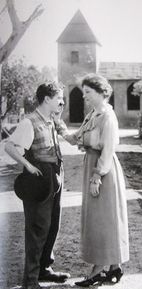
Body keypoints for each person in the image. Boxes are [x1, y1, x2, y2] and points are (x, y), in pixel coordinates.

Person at [5, 82, 76, 289]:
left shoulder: (52, 120)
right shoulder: (30, 122)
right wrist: (27, 165)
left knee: (53, 225)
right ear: (47, 99)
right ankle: (30, 280)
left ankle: (44, 269)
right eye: (59, 98)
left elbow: (69, 138)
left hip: (55, 176)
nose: (62, 102)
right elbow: (10, 147)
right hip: (38, 180)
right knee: (37, 228)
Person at [74, 74, 129, 287]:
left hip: (103, 170)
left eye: (88, 92)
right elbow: (77, 136)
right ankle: (114, 267)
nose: (85, 96)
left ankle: (97, 270)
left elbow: (108, 149)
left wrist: (97, 176)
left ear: (100, 92)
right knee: (101, 219)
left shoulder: (107, 116)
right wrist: (57, 127)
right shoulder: (92, 114)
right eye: (84, 92)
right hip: (92, 164)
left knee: (105, 219)